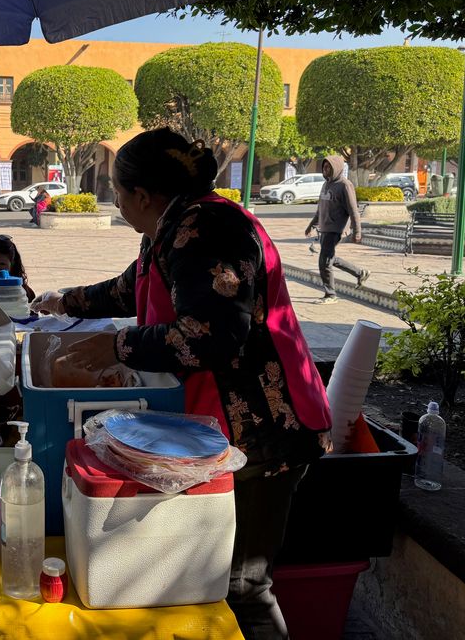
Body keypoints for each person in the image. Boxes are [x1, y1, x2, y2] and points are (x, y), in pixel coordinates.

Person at [31, 128, 331, 640]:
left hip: (263, 429)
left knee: (242, 587)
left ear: (142, 197)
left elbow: (214, 336)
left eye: (117, 193)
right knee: (211, 581)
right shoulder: (172, 228)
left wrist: (118, 346)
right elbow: (130, 289)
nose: (116, 203)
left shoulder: (210, 228)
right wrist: (63, 302)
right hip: (219, 427)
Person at [304, 155, 369, 304]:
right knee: (329, 259)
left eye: (329, 167)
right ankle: (360, 273)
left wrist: (357, 231)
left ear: (337, 168)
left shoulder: (345, 185)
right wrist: (311, 225)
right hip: (325, 228)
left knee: (324, 262)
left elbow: (353, 210)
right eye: (324, 167)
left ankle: (330, 295)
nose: (326, 170)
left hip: (336, 229)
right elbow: (320, 210)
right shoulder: (326, 184)